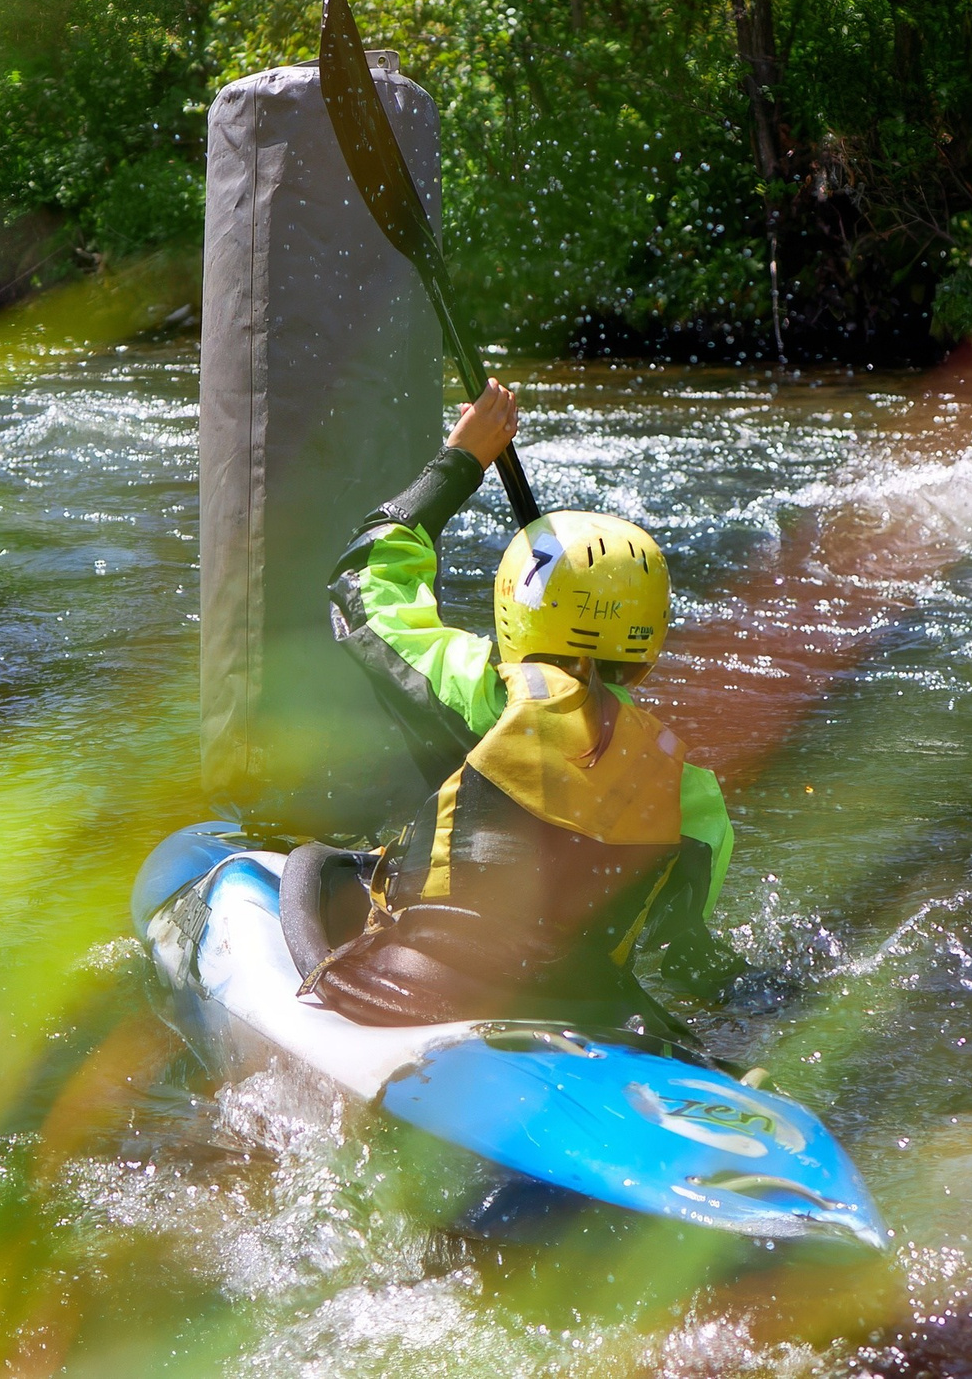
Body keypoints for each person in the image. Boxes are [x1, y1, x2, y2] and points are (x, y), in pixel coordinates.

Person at [309, 379, 748, 1031]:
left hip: (420, 988)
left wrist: (459, 462)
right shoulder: (693, 791)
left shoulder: (480, 688)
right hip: (587, 1013)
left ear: (516, 605)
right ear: (649, 639)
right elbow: (678, 946)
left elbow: (365, 581)